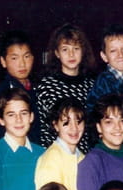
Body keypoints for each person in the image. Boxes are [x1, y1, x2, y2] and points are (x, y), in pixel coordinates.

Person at [36, 23, 96, 153]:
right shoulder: (46, 87)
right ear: (57, 53)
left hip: (86, 156)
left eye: (76, 48)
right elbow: (42, 130)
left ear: (83, 51)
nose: (71, 54)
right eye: (65, 49)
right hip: (56, 155)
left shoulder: (92, 86)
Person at [34, 97, 85, 190]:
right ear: (55, 125)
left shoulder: (82, 157)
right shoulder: (51, 158)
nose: (74, 128)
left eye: (78, 121)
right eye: (66, 123)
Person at [0, 30, 41, 144]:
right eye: (14, 58)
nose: (22, 64)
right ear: (3, 61)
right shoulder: (1, 94)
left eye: (26, 56)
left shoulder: (37, 88)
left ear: (33, 58)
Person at [86, 24, 123, 113]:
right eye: (113, 51)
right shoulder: (102, 82)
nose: (120, 55)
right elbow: (92, 110)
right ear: (104, 56)